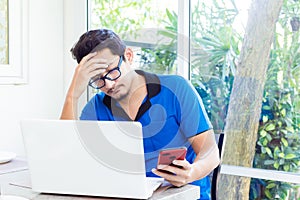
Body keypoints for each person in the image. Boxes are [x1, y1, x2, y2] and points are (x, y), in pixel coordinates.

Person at [60, 28, 220, 200]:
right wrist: (72, 95)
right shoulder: (96, 108)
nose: (108, 85)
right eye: (97, 79)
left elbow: (210, 152)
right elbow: (69, 159)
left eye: (112, 71)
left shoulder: (176, 89)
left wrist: (192, 172)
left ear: (128, 56)